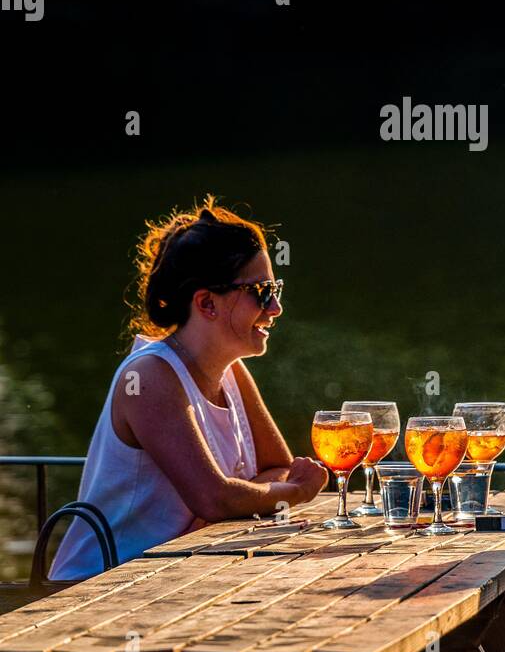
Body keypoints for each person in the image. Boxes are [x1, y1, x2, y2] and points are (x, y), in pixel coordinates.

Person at [49, 196, 328, 580]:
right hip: (95, 587)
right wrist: (294, 493)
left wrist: (239, 499)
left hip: (172, 578)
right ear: (207, 303)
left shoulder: (233, 372)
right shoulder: (148, 378)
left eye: (275, 288)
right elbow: (218, 498)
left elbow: (277, 467)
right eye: (261, 291)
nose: (276, 307)